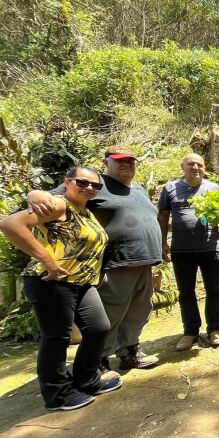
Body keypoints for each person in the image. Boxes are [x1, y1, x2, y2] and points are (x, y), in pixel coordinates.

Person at [26, 146, 162, 370]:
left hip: (145, 262)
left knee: (139, 311)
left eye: (130, 161)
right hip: (116, 262)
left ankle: (129, 351)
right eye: (120, 160)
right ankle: (98, 361)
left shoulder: (139, 189)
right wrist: (34, 194)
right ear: (106, 162)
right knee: (110, 314)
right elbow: (54, 196)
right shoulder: (95, 184)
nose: (127, 164)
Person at [0, 167, 122, 411]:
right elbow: (10, 224)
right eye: (82, 182)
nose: (89, 188)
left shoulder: (84, 211)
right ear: (67, 182)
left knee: (99, 328)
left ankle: (87, 379)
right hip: (51, 282)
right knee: (57, 338)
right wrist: (47, 260)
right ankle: (58, 394)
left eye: (95, 185)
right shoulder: (58, 205)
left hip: (81, 282)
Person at [157, 153, 219, 351]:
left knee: (214, 291)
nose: (195, 167)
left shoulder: (214, 188)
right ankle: (190, 332)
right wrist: (162, 242)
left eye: (200, 165)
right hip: (181, 250)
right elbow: (162, 216)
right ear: (183, 166)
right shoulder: (170, 188)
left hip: (210, 248)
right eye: (191, 164)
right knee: (186, 292)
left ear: (205, 168)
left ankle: (214, 329)